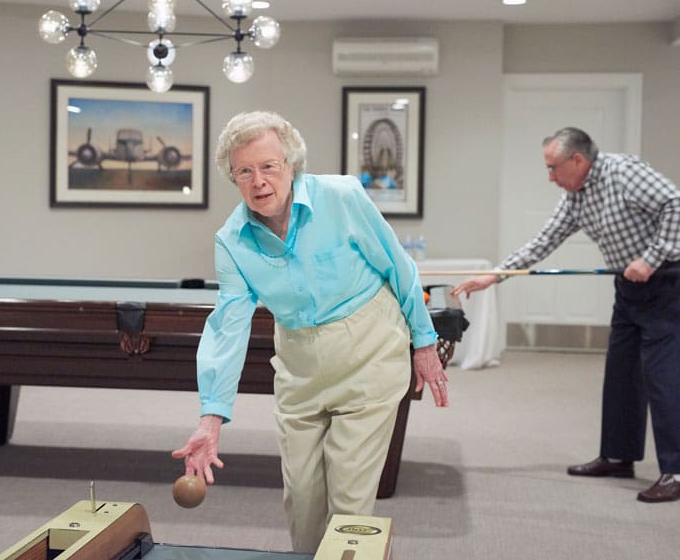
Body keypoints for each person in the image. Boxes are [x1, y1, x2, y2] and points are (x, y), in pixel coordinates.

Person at [171, 111, 448, 552]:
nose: (258, 181)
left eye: (268, 166)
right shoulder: (232, 240)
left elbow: (399, 266)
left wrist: (424, 341)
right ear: (234, 178)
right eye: (245, 171)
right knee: (302, 500)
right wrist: (211, 419)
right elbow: (228, 327)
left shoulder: (342, 197)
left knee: (349, 501)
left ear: (291, 164)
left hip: (368, 355)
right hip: (299, 368)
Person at [452, 126, 680, 504]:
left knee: (662, 377)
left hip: (667, 283)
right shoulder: (576, 195)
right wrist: (495, 275)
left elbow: (675, 203)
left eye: (553, 167)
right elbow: (546, 239)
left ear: (578, 160)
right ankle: (618, 456)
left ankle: (675, 471)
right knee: (621, 373)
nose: (550, 177)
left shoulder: (624, 173)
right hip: (629, 287)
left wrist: (652, 258)